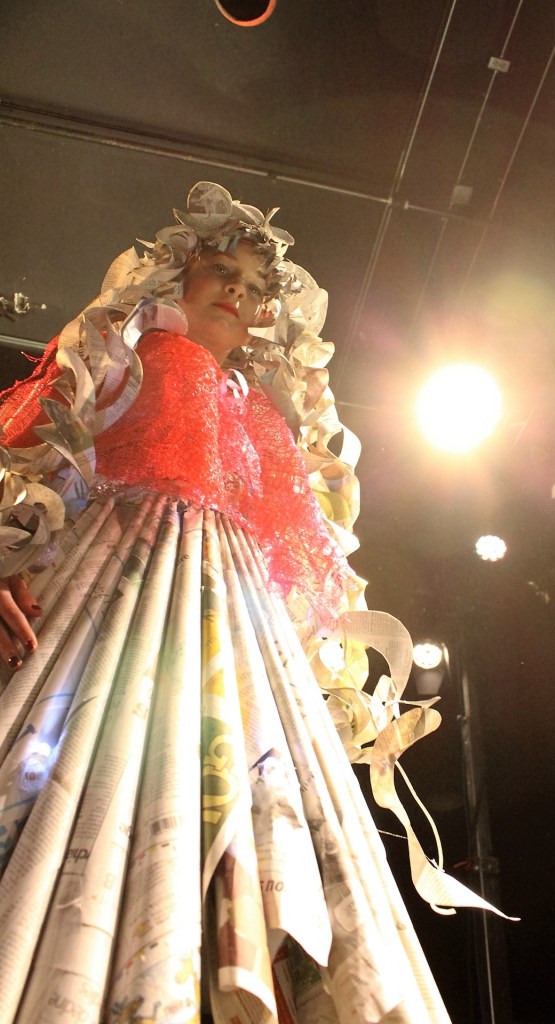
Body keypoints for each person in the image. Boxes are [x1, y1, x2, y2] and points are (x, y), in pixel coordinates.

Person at [0, 182, 501, 1024]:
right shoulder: (126, 350)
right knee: (87, 765)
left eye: (255, 286)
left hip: (237, 607)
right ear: (180, 277)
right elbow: (40, 448)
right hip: (120, 573)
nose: (238, 292)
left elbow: (296, 539)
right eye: (221, 272)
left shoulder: (264, 411)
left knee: (254, 788)